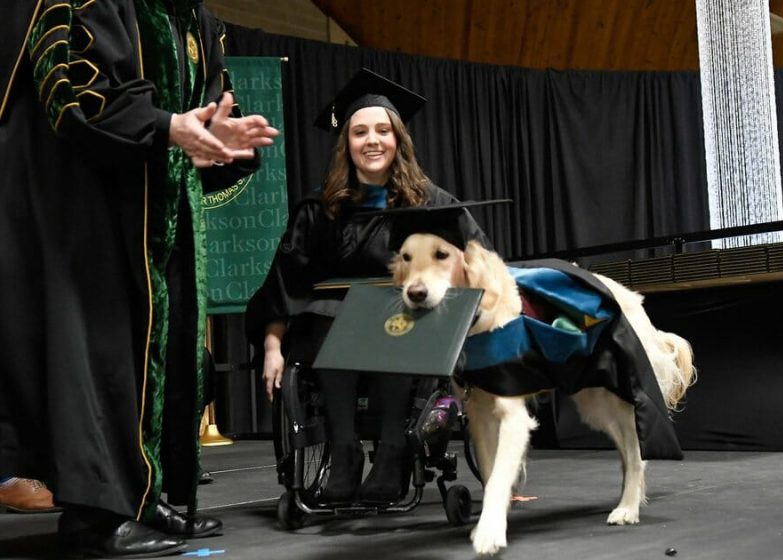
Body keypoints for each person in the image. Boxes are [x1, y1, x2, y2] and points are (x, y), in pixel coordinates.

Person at [0, 1, 278, 558]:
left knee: (150, 347)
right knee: (94, 347)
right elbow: (72, 91)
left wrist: (213, 135)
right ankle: (96, 514)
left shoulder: (187, 15)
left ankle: (140, 495)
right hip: (75, 198)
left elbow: (202, 106)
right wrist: (166, 126)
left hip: (150, 197)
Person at [246, 68, 489, 504]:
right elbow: (284, 281)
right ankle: (344, 452)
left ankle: (393, 450)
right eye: (360, 132)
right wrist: (271, 346)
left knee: (390, 317)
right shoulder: (319, 210)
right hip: (329, 330)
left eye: (383, 130)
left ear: (398, 140)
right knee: (331, 318)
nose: (372, 140)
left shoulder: (430, 204)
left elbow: (480, 261)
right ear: (347, 144)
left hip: (407, 327)